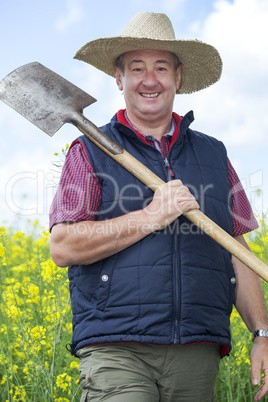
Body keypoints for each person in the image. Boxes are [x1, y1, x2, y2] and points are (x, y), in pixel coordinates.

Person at [49, 12, 268, 402]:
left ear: (178, 77)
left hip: (197, 350)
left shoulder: (214, 154)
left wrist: (262, 332)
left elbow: (236, 250)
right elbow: (64, 246)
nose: (150, 80)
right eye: (137, 68)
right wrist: (151, 217)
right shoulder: (88, 151)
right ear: (119, 78)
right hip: (117, 347)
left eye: (161, 67)